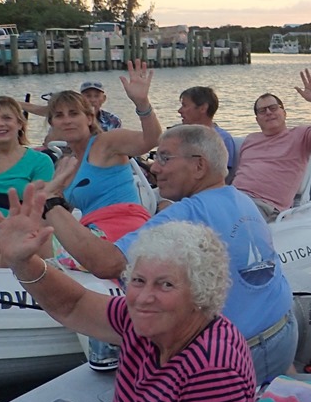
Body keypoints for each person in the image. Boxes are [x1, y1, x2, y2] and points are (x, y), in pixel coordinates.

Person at [0, 210, 255, 402]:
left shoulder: (212, 370)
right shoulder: (145, 323)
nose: (143, 298)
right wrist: (22, 261)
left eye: (165, 285)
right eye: (139, 281)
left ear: (200, 294)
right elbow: (73, 305)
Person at [41, 125, 297, 383]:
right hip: (283, 333)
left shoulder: (187, 215)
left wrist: (51, 201)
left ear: (199, 166)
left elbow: (105, 263)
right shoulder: (240, 198)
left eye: (165, 158)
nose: (154, 167)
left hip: (243, 356)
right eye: (155, 157)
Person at [45, 60, 160, 243]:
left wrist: (142, 103)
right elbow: (58, 213)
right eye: (59, 116)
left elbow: (152, 139)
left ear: (90, 118)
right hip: (93, 234)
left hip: (124, 232)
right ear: (52, 124)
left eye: (74, 113)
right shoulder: (65, 164)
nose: (67, 121)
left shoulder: (107, 142)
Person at [232, 68, 311, 219]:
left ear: (284, 113)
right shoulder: (250, 140)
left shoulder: (301, 136)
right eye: (262, 111)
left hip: (263, 206)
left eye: (273, 108)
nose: (268, 112)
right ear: (257, 119)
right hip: (232, 196)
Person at [0, 96, 54, 265]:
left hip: (21, 233)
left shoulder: (40, 161)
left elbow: (40, 209)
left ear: (19, 124)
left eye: (6, 118)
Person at [21, 80, 123, 141]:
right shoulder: (63, 121)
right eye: (88, 96)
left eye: (96, 96)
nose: (92, 100)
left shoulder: (113, 120)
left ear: (103, 99)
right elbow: (39, 109)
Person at [178, 86, 236, 174]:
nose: (179, 110)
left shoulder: (222, 139)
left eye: (184, 105)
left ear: (203, 108)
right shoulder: (179, 136)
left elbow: (219, 175)